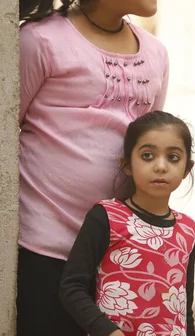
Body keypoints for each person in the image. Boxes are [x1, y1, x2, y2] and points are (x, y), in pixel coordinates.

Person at [18, 1, 169, 334]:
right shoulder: (40, 41)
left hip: (119, 254)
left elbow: (149, 142)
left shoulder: (156, 53)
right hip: (46, 248)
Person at [60, 111, 195, 336]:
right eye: (148, 156)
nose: (160, 166)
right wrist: (109, 332)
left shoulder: (188, 229)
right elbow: (71, 288)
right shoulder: (106, 217)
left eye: (173, 157)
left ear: (186, 168)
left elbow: (184, 306)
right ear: (127, 165)